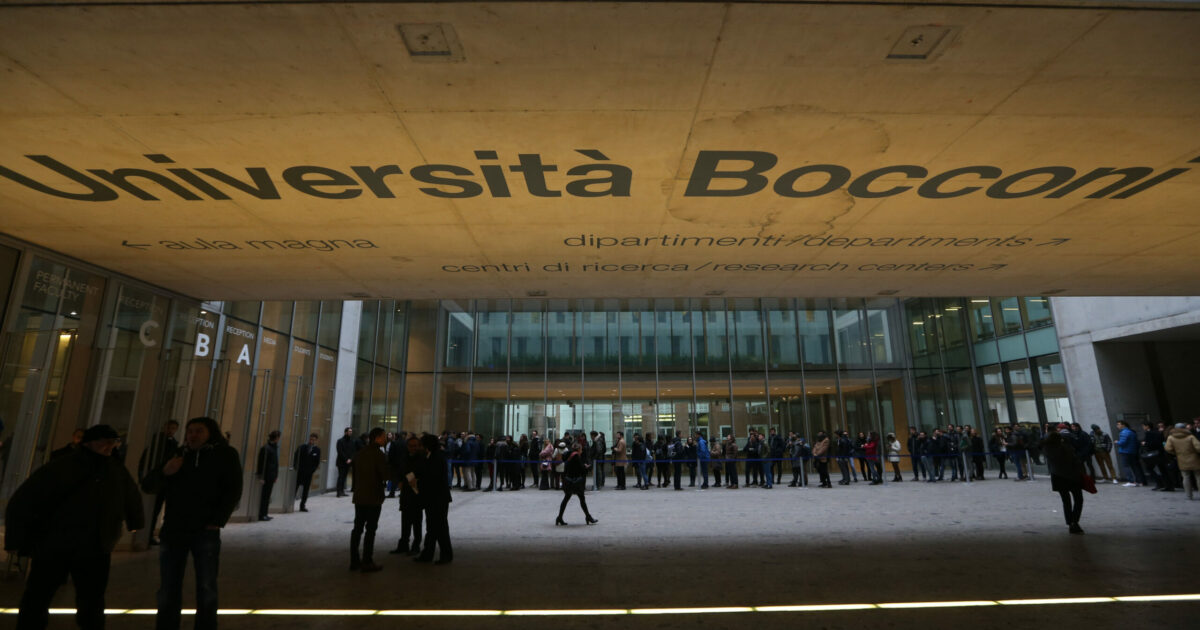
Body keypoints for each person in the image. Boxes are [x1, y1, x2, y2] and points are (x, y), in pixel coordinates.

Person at [6, 424, 143, 630]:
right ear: (90, 443)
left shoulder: (66, 466)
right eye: (106, 442)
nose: (110, 446)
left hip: (63, 542)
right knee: (86, 597)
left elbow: (25, 499)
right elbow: (130, 496)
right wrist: (134, 522)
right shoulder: (112, 469)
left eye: (113, 442)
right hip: (85, 543)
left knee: (41, 595)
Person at [145, 416, 242, 630]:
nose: (193, 435)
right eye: (190, 431)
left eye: (199, 431)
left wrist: (217, 520)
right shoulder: (178, 454)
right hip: (174, 529)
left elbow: (233, 489)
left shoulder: (225, 455)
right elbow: (148, 484)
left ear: (210, 433)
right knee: (168, 586)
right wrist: (166, 471)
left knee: (206, 586)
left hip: (205, 530)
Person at [349, 427, 389, 572]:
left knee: (357, 529)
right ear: (377, 438)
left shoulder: (360, 453)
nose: (385, 439)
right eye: (383, 436)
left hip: (360, 496)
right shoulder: (378, 454)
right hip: (373, 497)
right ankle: (367, 560)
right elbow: (385, 474)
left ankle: (354, 560)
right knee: (370, 529)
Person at [139, 419, 180, 544]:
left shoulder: (168, 443)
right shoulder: (160, 444)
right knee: (155, 510)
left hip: (165, 481)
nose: (171, 431)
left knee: (162, 510)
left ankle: (156, 534)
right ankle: (150, 534)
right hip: (161, 480)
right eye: (170, 428)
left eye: (173, 428)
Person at [415, 434, 453, 564]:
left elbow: (432, 479)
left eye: (421, 445)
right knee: (432, 527)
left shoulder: (436, 458)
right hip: (434, 498)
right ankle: (428, 554)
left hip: (437, 498)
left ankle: (445, 555)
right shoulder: (431, 457)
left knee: (439, 527)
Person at [1043, 428, 1085, 534]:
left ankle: (1070, 522)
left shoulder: (1047, 449)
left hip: (1058, 476)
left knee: (1066, 501)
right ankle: (1074, 521)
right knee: (1078, 499)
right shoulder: (1065, 448)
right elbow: (1074, 460)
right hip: (1071, 476)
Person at [389, 436, 425, 555]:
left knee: (416, 522)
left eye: (415, 446)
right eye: (411, 446)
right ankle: (403, 544)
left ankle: (416, 546)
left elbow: (420, 473)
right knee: (405, 521)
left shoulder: (422, 458)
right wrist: (399, 481)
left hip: (416, 494)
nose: (413, 448)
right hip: (406, 493)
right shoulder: (404, 457)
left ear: (419, 446)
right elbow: (400, 472)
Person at [555, 440, 597, 526]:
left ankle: (559, 517)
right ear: (579, 449)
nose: (582, 451)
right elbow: (580, 469)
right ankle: (588, 517)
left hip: (568, 480)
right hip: (575, 481)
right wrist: (586, 467)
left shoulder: (569, 454)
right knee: (582, 499)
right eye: (581, 449)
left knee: (566, 499)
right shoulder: (576, 456)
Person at [1165, 423, 1200, 500]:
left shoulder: (1171, 437)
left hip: (1181, 458)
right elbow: (1198, 447)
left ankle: (1189, 495)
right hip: (1194, 458)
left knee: (1185, 477)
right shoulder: (1190, 436)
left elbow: (1168, 448)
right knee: (1198, 476)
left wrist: (1175, 453)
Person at [1140, 421, 1174, 492]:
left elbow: (1151, 444)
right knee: (1162, 469)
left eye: (1144, 426)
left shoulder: (1149, 433)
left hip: (1153, 454)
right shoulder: (1157, 432)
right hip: (1160, 453)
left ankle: (1160, 483)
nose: (1143, 428)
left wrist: (1145, 443)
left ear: (1147, 426)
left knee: (1150, 468)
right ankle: (1168, 485)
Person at [255, 430, 280, 521]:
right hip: (266, 476)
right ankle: (262, 514)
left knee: (267, 496)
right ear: (277, 438)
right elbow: (262, 463)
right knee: (264, 496)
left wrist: (275, 475)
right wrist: (261, 476)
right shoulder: (267, 448)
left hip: (271, 476)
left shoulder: (273, 448)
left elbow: (275, 463)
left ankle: (265, 513)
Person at [294, 433, 321, 512]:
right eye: (311, 439)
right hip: (300, 471)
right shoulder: (302, 447)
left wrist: (312, 471)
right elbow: (296, 457)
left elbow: (316, 462)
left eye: (313, 440)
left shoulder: (317, 450)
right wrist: (296, 467)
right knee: (295, 487)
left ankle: (302, 505)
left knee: (305, 490)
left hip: (308, 473)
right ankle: (290, 503)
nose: (311, 441)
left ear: (316, 440)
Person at [335, 427, 357, 497]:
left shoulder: (352, 441)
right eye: (349, 431)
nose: (350, 432)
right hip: (341, 462)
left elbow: (353, 451)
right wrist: (346, 459)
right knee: (341, 477)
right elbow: (340, 451)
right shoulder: (340, 441)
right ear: (345, 432)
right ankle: (339, 492)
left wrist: (350, 459)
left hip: (348, 462)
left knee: (344, 477)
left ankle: (342, 491)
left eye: (351, 431)